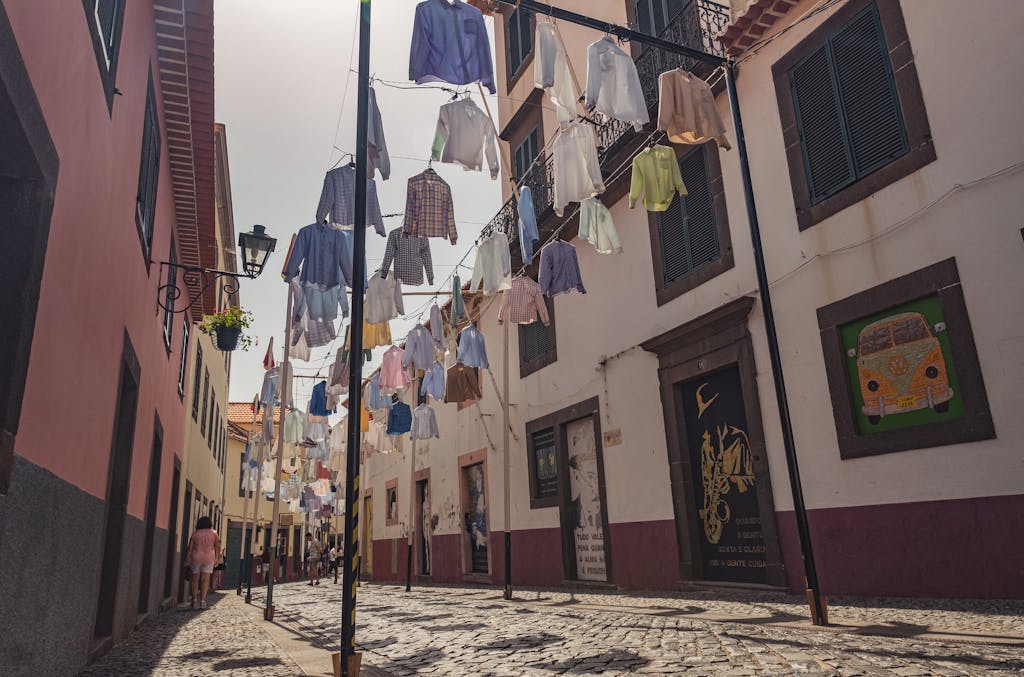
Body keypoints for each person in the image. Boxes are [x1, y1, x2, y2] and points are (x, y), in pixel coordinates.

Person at [184, 515, 221, 609]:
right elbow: (217, 546)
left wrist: (187, 560)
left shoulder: (195, 534)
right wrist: (217, 558)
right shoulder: (214, 533)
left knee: (194, 579)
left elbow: (190, 548)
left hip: (196, 557)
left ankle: (194, 599)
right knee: (205, 580)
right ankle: (203, 600)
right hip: (209, 557)